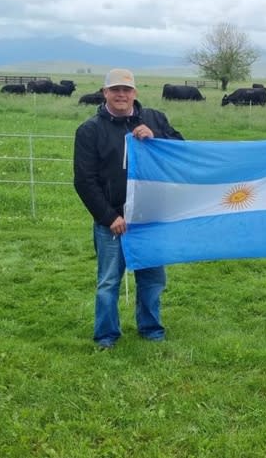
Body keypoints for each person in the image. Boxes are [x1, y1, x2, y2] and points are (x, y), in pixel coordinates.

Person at [73, 68, 184, 349]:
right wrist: (109, 216)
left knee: (152, 279)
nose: (121, 95)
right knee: (109, 281)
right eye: (115, 90)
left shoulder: (155, 119)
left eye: (126, 89)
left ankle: (151, 329)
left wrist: (157, 136)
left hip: (150, 218)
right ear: (105, 92)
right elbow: (84, 180)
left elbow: (181, 151)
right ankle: (107, 335)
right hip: (114, 222)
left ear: (135, 92)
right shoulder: (90, 130)